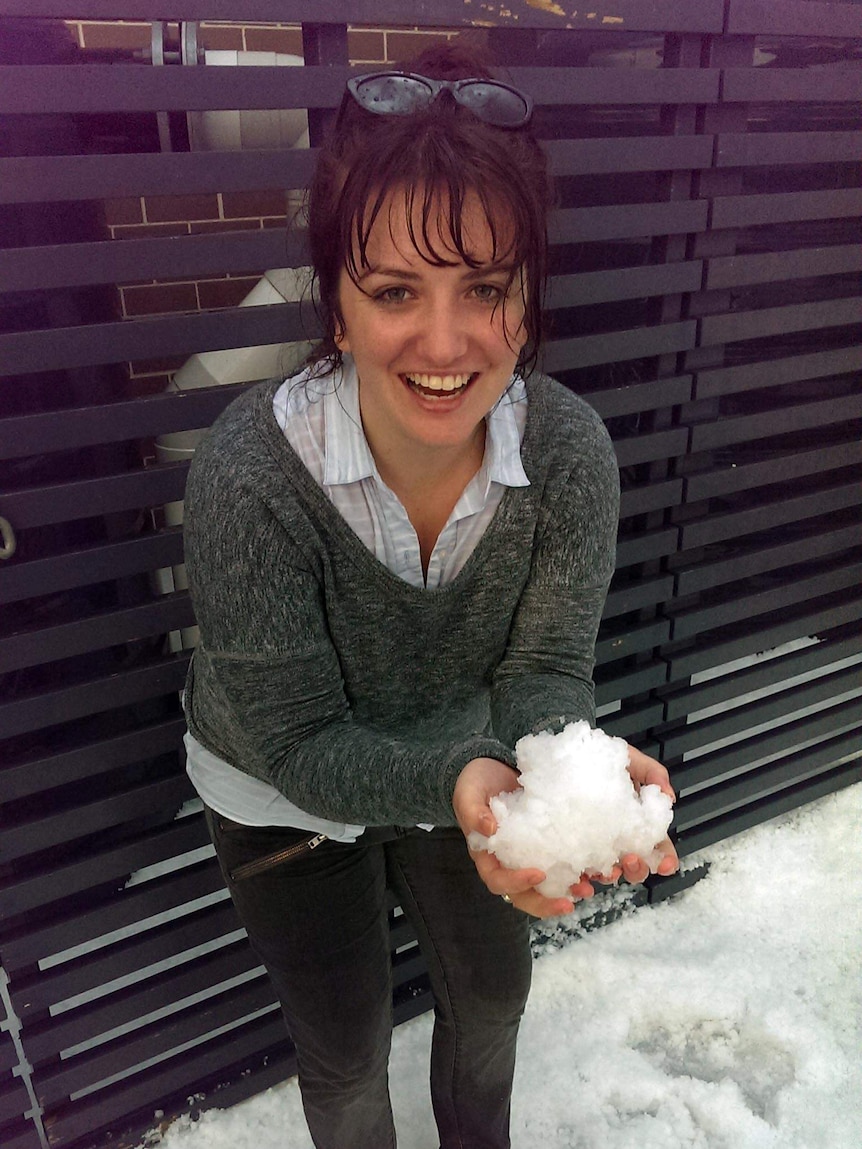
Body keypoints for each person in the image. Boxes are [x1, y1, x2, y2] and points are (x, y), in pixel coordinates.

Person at [181, 42, 679, 1149]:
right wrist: (458, 776)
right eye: (396, 290)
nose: (445, 344)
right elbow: (305, 741)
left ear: (529, 294)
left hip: (465, 762)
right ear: (338, 303)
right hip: (281, 787)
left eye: (487, 289)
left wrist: (569, 769)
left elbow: (543, 665)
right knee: (347, 1044)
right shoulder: (247, 479)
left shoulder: (569, 455)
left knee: (494, 997)